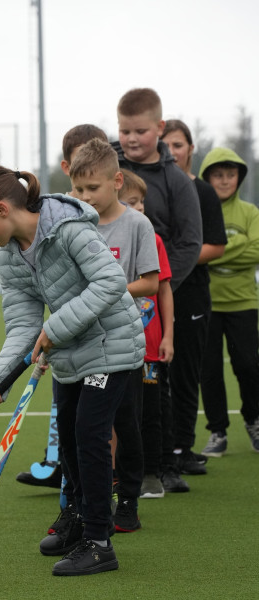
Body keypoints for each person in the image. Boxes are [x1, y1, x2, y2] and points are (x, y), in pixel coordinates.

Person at [0, 163, 145, 576]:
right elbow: (23, 327)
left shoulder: (69, 228)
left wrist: (54, 327)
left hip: (112, 345)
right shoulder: (8, 257)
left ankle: (99, 544)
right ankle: (79, 519)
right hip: (69, 354)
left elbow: (111, 283)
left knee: (89, 434)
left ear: (3, 208)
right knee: (71, 443)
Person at [113, 87, 203, 493]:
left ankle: (167, 463)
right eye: (125, 130)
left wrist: (159, 282)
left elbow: (189, 242)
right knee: (120, 395)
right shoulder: (108, 170)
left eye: (141, 130)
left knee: (162, 388)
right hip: (113, 304)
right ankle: (119, 468)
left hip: (166, 296)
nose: (131, 139)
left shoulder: (176, 181)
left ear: (160, 128)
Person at [66, 139, 158, 532]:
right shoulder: (73, 225)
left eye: (92, 189)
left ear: (117, 181)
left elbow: (151, 283)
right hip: (84, 343)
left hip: (123, 342)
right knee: (86, 428)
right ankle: (83, 503)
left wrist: (108, 290)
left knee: (127, 424)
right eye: (78, 189)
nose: (84, 197)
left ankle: (130, 500)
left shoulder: (137, 224)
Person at [15, 123, 109, 490]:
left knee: (98, 426)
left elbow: (108, 282)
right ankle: (60, 471)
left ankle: (115, 485)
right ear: (67, 167)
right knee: (69, 418)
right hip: (70, 335)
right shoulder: (57, 215)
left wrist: (55, 327)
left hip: (107, 337)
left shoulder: (92, 218)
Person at [160, 120, 227, 474]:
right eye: (165, 145)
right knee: (155, 377)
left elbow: (215, 245)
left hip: (191, 297)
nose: (171, 152)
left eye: (178, 145)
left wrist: (169, 263)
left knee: (186, 373)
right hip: (152, 295)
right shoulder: (152, 188)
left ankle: (181, 447)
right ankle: (158, 449)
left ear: (190, 149)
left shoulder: (203, 193)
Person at [198, 147, 259, 455]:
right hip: (207, 304)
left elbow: (258, 250)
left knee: (248, 365)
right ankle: (218, 431)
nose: (224, 181)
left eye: (230, 175)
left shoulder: (250, 212)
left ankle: (254, 420)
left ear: (239, 177)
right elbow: (194, 251)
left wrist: (216, 250)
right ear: (207, 178)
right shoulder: (199, 208)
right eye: (218, 175)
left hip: (244, 303)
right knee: (209, 372)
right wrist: (240, 244)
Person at [118, 169, 174, 499]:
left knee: (150, 412)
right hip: (113, 349)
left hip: (150, 348)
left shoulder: (153, 240)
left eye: (141, 202)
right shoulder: (101, 239)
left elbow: (164, 290)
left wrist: (168, 336)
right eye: (131, 202)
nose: (139, 209)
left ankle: (152, 474)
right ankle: (118, 476)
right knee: (117, 415)